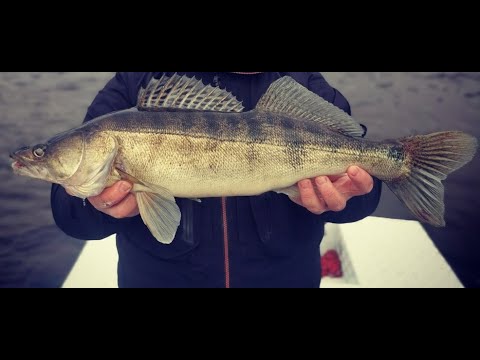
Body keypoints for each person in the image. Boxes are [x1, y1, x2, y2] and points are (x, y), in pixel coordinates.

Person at [51, 72, 382, 288]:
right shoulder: (135, 85)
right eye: (42, 153)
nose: (42, 156)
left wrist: (349, 196)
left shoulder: (302, 84)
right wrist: (95, 203)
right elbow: (70, 215)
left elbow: (365, 182)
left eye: (42, 153)